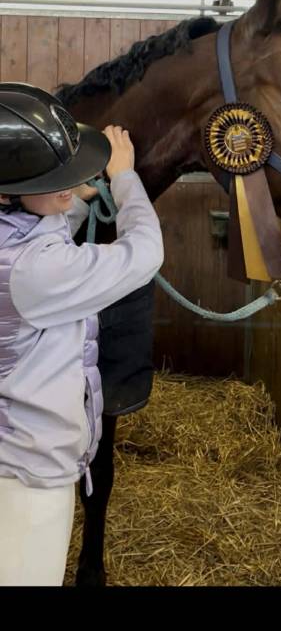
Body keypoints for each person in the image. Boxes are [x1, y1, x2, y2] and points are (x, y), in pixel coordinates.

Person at [0, 82, 164, 586]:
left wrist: (73, 196)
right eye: (59, 178)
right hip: (31, 470)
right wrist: (126, 178)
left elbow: (38, 227)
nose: (70, 183)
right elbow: (145, 254)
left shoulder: (15, 230)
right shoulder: (33, 272)